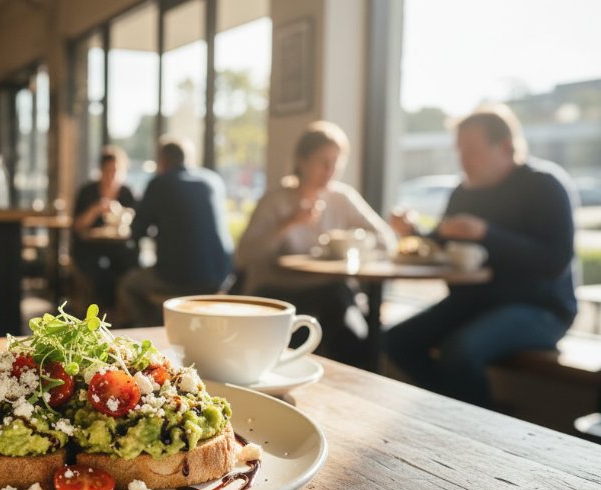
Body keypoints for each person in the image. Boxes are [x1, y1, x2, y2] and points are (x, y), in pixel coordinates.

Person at [385, 105, 577, 407]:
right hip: (473, 302)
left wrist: (487, 233)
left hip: (541, 310)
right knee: (395, 340)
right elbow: (440, 242)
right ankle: (466, 410)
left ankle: (475, 424)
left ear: (505, 147)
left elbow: (555, 261)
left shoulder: (544, 185)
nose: (463, 161)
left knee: (459, 351)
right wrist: (411, 232)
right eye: (459, 151)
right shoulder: (464, 192)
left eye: (471, 151)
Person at [233, 121, 395, 364]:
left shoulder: (342, 198)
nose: (330, 170)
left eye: (336, 162)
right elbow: (243, 256)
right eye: (323, 162)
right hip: (279, 293)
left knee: (350, 320)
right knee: (339, 307)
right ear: (302, 161)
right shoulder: (276, 201)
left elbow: (386, 240)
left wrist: (354, 250)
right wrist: (286, 225)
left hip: (332, 292)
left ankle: (356, 384)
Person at [118, 137, 233, 326]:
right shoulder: (213, 180)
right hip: (220, 277)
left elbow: (136, 230)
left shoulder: (159, 183)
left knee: (128, 285)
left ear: (162, 160)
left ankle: (151, 335)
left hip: (178, 277)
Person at [71, 146, 139, 313]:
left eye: (115, 171)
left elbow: (136, 225)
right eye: (107, 171)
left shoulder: (127, 193)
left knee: (131, 264)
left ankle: (126, 314)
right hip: (90, 248)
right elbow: (77, 226)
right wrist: (95, 209)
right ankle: (105, 314)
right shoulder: (87, 192)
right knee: (100, 270)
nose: (111, 176)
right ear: (100, 170)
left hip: (118, 247)